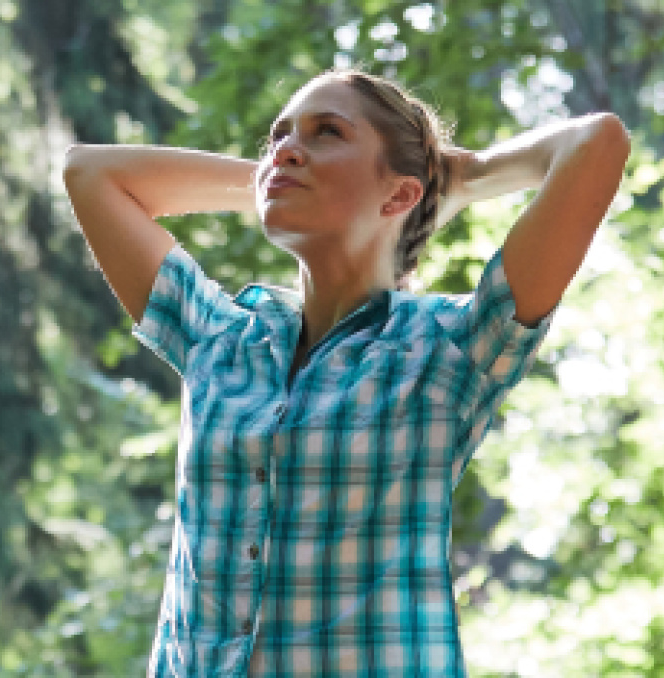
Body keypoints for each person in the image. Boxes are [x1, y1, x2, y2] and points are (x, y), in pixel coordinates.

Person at [62, 66, 629, 677]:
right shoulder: (220, 342)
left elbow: (597, 144)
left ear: (400, 194)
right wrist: (269, 182)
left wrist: (461, 177)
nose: (285, 150)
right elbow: (90, 173)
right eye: (278, 137)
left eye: (326, 132)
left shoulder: (449, 351)